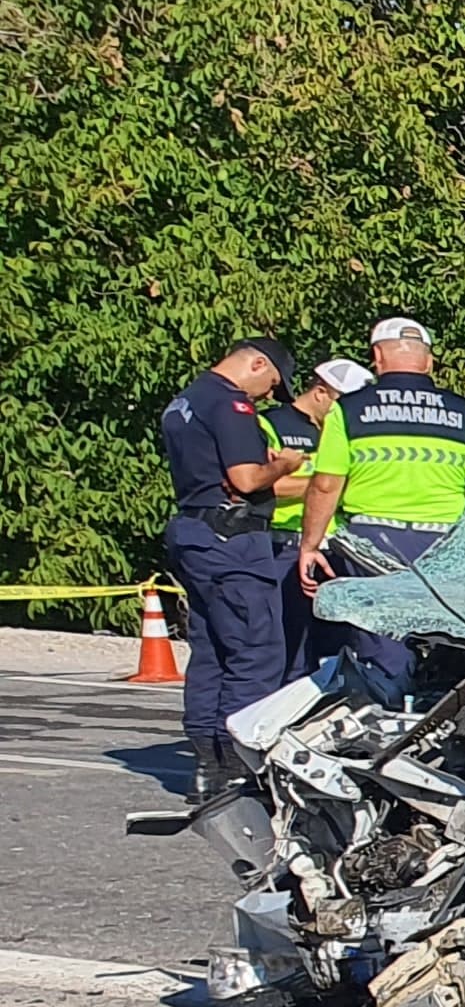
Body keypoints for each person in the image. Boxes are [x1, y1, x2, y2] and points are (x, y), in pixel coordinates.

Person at [297, 317, 465, 689]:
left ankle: (388, 715)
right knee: (443, 637)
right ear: (429, 362)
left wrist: (310, 544)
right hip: (445, 545)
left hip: (372, 540)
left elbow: (325, 484)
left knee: (381, 638)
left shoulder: (350, 410)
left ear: (376, 358)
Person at [156, 336, 298, 795]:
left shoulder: (186, 401)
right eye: (270, 384)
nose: (265, 396)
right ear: (256, 363)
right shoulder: (231, 405)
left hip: (195, 533)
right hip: (232, 540)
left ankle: (207, 760)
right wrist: (283, 466)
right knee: (256, 651)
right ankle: (240, 764)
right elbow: (245, 478)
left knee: (213, 649)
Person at [264, 354, 365, 672]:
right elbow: (267, 485)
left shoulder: (344, 428)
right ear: (321, 392)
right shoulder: (272, 423)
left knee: (334, 646)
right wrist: (327, 483)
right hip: (286, 544)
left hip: (335, 546)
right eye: (340, 402)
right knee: (290, 645)